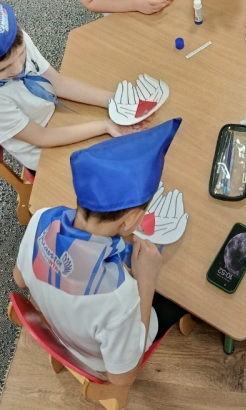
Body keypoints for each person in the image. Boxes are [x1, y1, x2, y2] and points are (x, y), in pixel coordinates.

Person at [14, 119, 186, 383]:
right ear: (130, 220)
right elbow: (123, 378)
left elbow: (20, 279)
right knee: (177, 298)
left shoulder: (41, 219)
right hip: (99, 360)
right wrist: (146, 282)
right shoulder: (119, 296)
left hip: (62, 330)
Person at [0, 0, 130, 173]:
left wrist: (114, 100)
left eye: (22, 55)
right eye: (1, 69)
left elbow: (57, 83)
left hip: (55, 116)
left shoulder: (13, 41)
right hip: (43, 154)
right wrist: (105, 125)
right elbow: (43, 137)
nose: (17, 69)